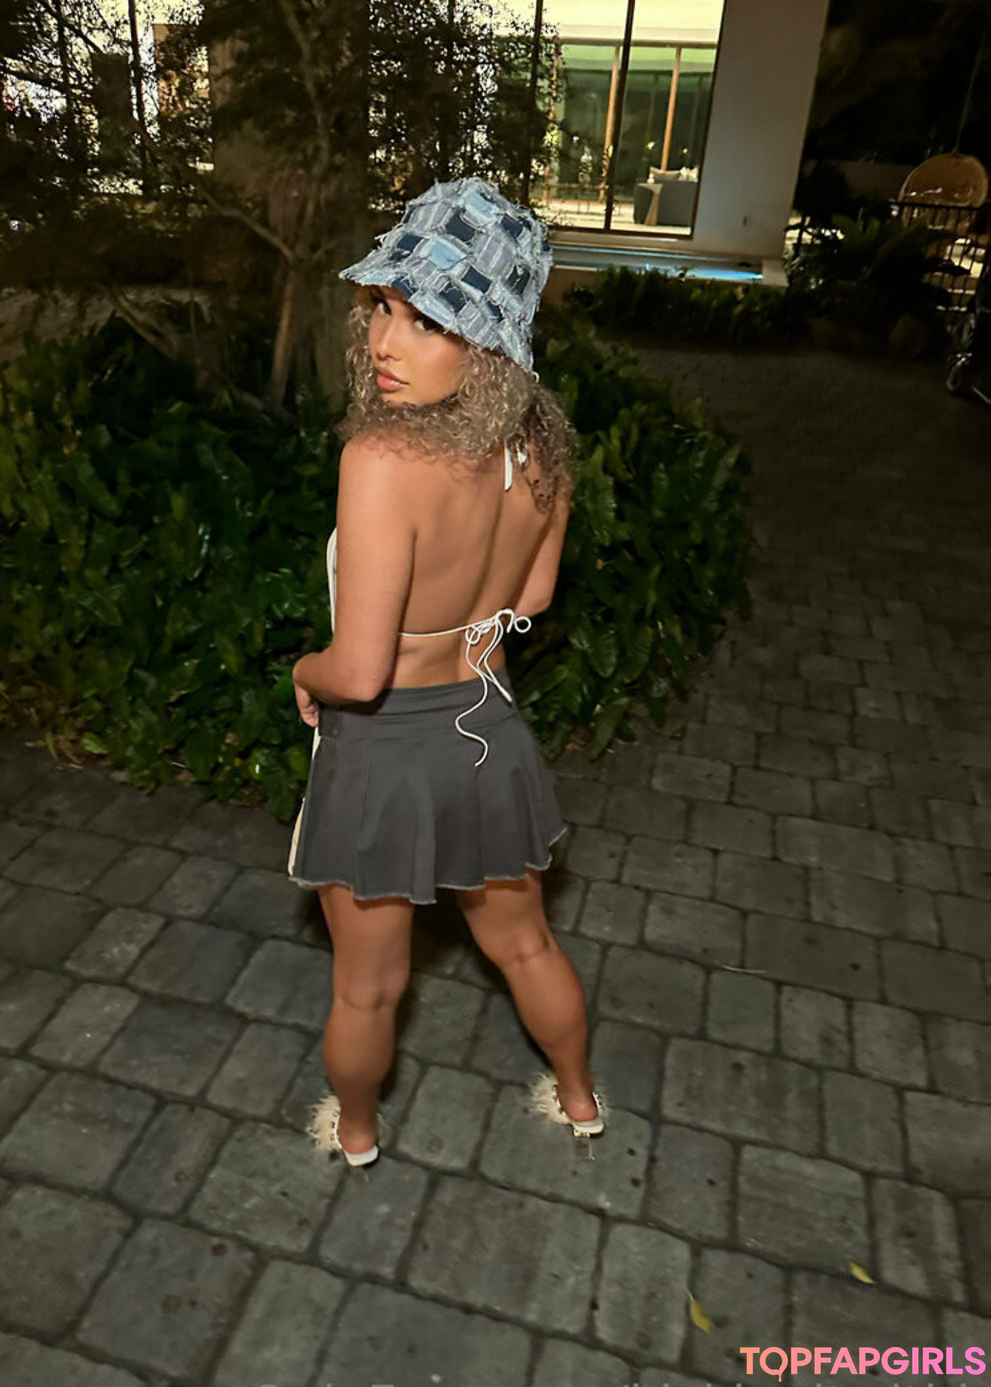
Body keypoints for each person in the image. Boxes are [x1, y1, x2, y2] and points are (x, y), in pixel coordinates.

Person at [288, 176, 605, 1168]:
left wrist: (304, 670)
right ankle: (580, 1097)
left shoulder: (382, 459)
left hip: (384, 753)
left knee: (367, 988)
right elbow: (535, 597)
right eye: (385, 307)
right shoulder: (540, 450)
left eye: (427, 321)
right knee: (526, 943)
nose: (387, 342)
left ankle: (355, 1131)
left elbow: (360, 670)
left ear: (488, 343)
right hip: (489, 732)